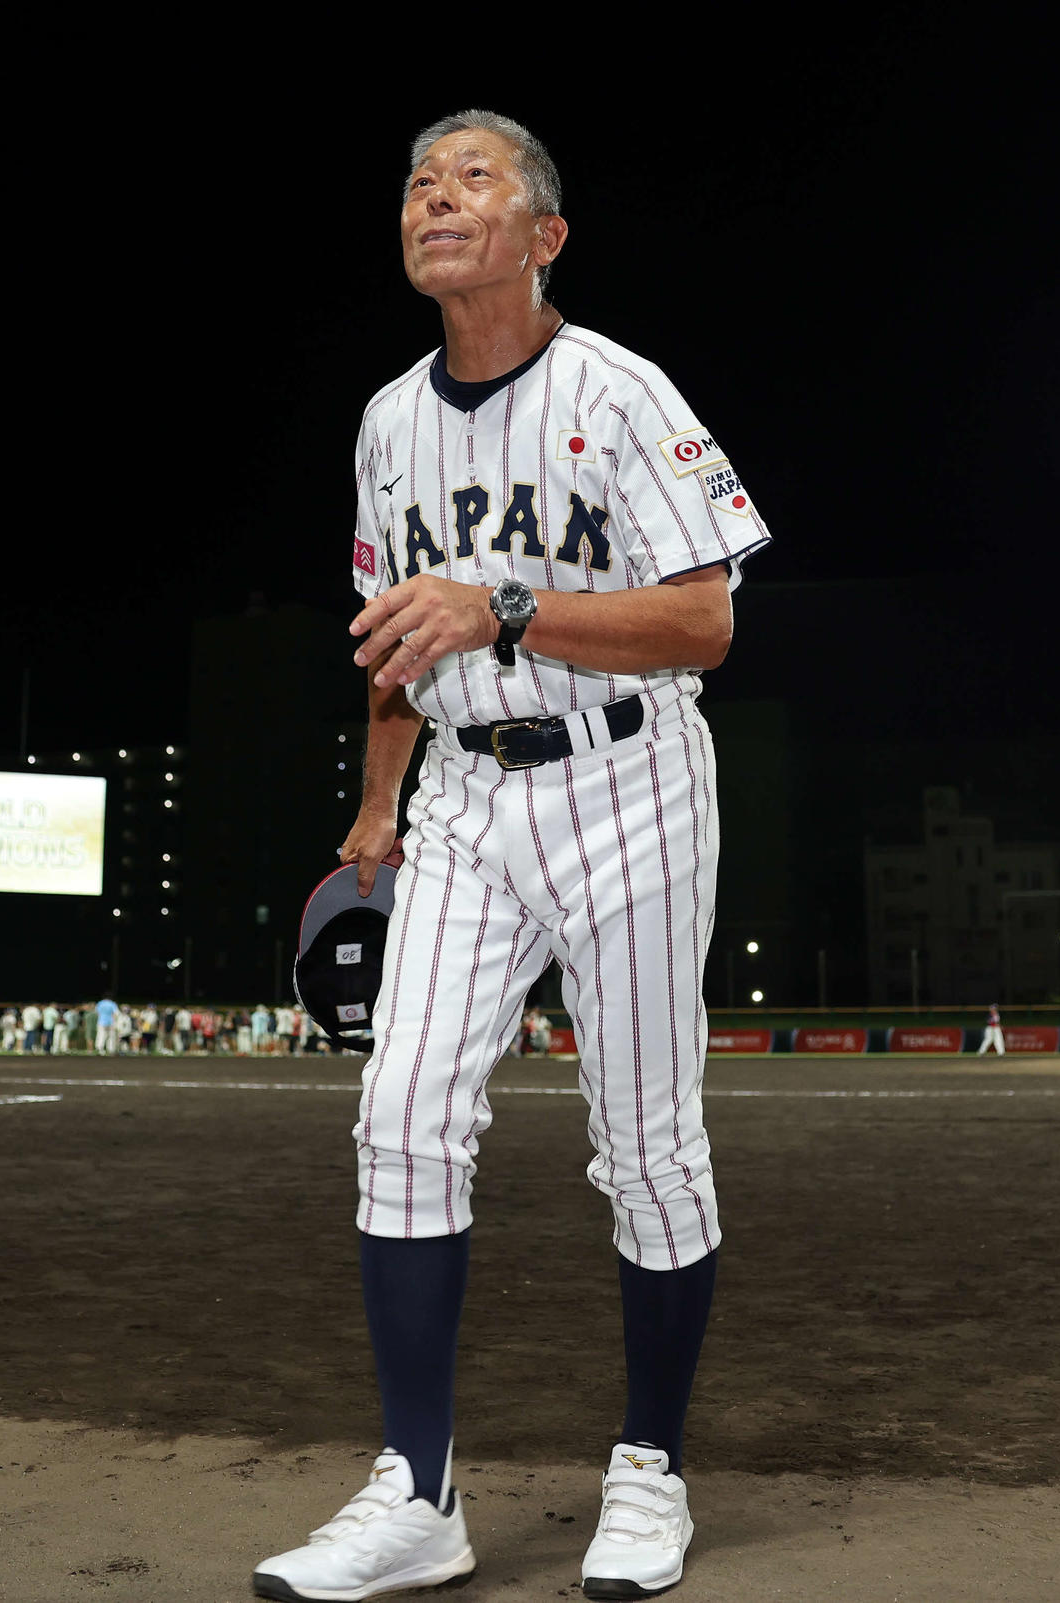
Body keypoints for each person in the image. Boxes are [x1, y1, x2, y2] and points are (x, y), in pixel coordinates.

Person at [252, 110, 772, 1603]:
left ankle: (650, 1471)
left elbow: (706, 623)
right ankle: (420, 1492)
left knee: (647, 1146)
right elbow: (396, 641)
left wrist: (512, 607)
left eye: (472, 178)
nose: (435, 197)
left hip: (629, 781)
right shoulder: (384, 421)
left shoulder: (620, 393)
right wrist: (374, 808)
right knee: (402, 1119)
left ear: (543, 235)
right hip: (467, 797)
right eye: (420, 181)